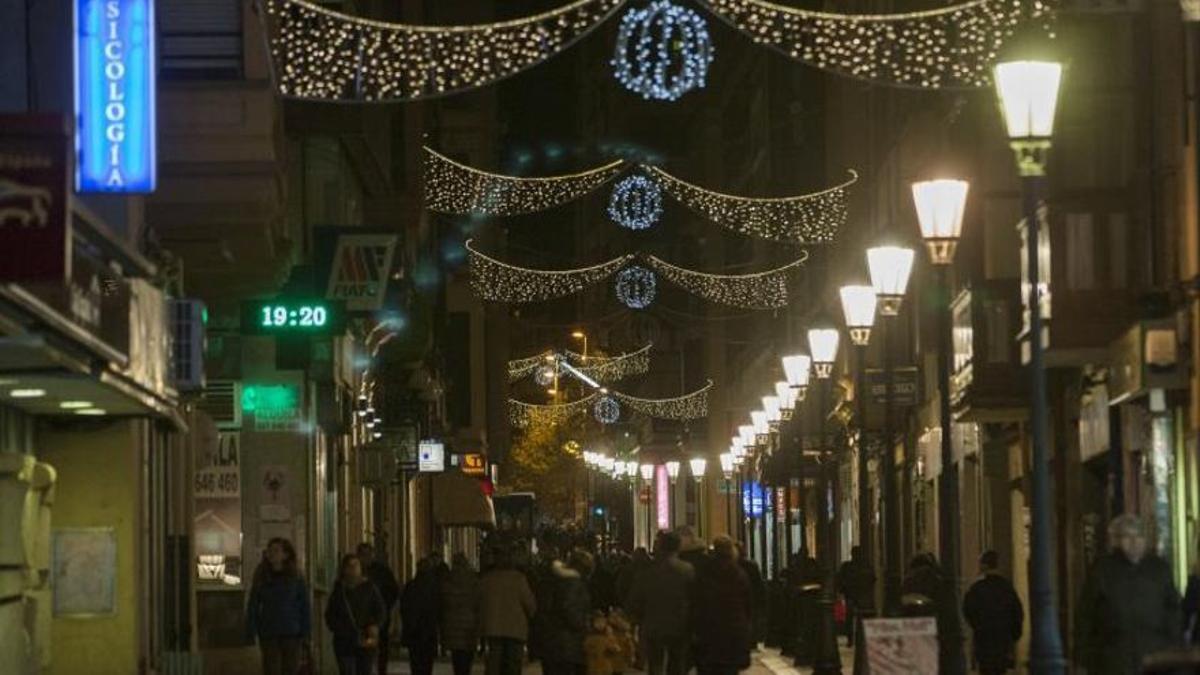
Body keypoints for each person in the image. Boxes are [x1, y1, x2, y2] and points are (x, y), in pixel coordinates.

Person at [1075, 514, 1182, 675]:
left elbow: (1173, 609)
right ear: (1116, 541)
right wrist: (1082, 658)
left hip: (1155, 655)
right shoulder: (1102, 570)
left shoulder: (1159, 569)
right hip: (1112, 658)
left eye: (1139, 536)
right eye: (1127, 536)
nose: (1134, 542)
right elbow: (1085, 614)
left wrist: (1172, 646)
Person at [625, 531, 695, 675]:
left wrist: (635, 617)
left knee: (655, 664)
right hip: (679, 624)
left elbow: (636, 597)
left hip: (653, 624)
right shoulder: (687, 570)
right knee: (677, 663)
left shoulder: (648, 570)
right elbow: (694, 597)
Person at [246, 538, 311, 675]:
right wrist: (251, 628)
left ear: (285, 555)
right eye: (269, 550)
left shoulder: (296, 576)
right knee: (271, 669)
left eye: (276, 550)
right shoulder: (262, 575)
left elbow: (304, 605)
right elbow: (253, 603)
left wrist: (306, 632)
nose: (271, 554)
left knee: (290, 668)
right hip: (269, 631)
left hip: (291, 631)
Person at [691, 536, 752, 675]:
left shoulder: (704, 573)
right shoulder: (739, 574)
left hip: (709, 631)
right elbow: (747, 605)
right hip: (733, 630)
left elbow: (697, 602)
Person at [962, 550, 1023, 675]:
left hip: (984, 637)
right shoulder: (1006, 587)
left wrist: (977, 625)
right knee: (1000, 669)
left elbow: (968, 610)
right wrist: (1014, 634)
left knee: (985, 668)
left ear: (984, 565)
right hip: (1002, 637)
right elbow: (1017, 611)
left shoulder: (977, 588)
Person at [479, 544, 537, 675]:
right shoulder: (519, 579)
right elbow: (530, 604)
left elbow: (479, 602)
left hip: (493, 628)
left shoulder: (487, 580)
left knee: (494, 664)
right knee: (512, 666)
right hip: (515, 629)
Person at [325, 553, 387, 675]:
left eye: (356, 565)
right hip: (344, 642)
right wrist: (341, 629)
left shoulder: (369, 588)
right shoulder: (339, 591)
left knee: (364, 670)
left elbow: (380, 610)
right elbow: (330, 615)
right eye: (349, 565)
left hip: (365, 639)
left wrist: (374, 625)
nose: (353, 569)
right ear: (344, 569)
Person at [541, 548, 594, 675]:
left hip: (554, 644)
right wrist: (584, 625)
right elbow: (569, 609)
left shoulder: (557, 580)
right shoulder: (573, 583)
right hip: (568, 645)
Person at [357, 542, 400, 675]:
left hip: (379, 617)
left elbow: (393, 591)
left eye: (367, 554)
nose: (365, 558)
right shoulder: (354, 571)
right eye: (362, 555)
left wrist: (385, 606)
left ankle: (381, 670)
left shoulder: (382, 572)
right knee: (363, 648)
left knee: (381, 646)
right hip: (360, 619)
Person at [441, 553, 481, 675]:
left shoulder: (448, 580)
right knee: (467, 657)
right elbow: (478, 601)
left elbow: (444, 602)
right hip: (469, 626)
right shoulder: (473, 580)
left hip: (453, 626)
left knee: (457, 658)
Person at [400, 557, 442, 675]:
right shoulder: (434, 587)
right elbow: (439, 608)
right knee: (427, 664)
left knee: (415, 663)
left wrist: (408, 624)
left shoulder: (411, 586)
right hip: (429, 631)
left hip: (414, 631)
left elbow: (404, 608)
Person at [836, 545, 876, 646]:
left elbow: (840, 580)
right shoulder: (864, 566)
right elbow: (872, 579)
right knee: (858, 616)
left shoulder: (849, 566)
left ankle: (852, 639)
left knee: (851, 617)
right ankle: (857, 638)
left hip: (852, 595)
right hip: (858, 595)